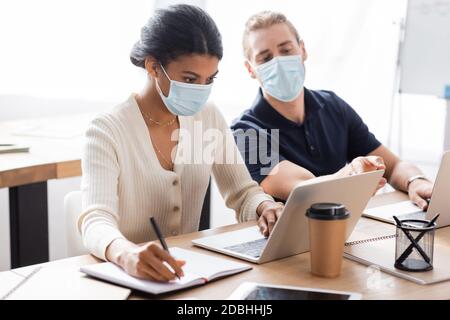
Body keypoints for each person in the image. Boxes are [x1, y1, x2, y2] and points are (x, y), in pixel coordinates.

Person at [78, 5, 283, 282]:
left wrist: (264, 207)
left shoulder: (207, 116)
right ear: (153, 67)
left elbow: (242, 192)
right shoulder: (107, 130)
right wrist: (127, 254)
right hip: (130, 280)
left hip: (188, 276)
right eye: (189, 79)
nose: (200, 90)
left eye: (209, 79)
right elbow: (95, 221)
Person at [231, 11, 433, 206]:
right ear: (250, 69)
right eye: (265, 58)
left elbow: (394, 165)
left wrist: (416, 181)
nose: (279, 62)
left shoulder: (333, 106)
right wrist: (350, 174)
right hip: (287, 238)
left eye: (286, 50)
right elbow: (304, 189)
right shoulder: (245, 131)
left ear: (302, 50)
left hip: (345, 230)